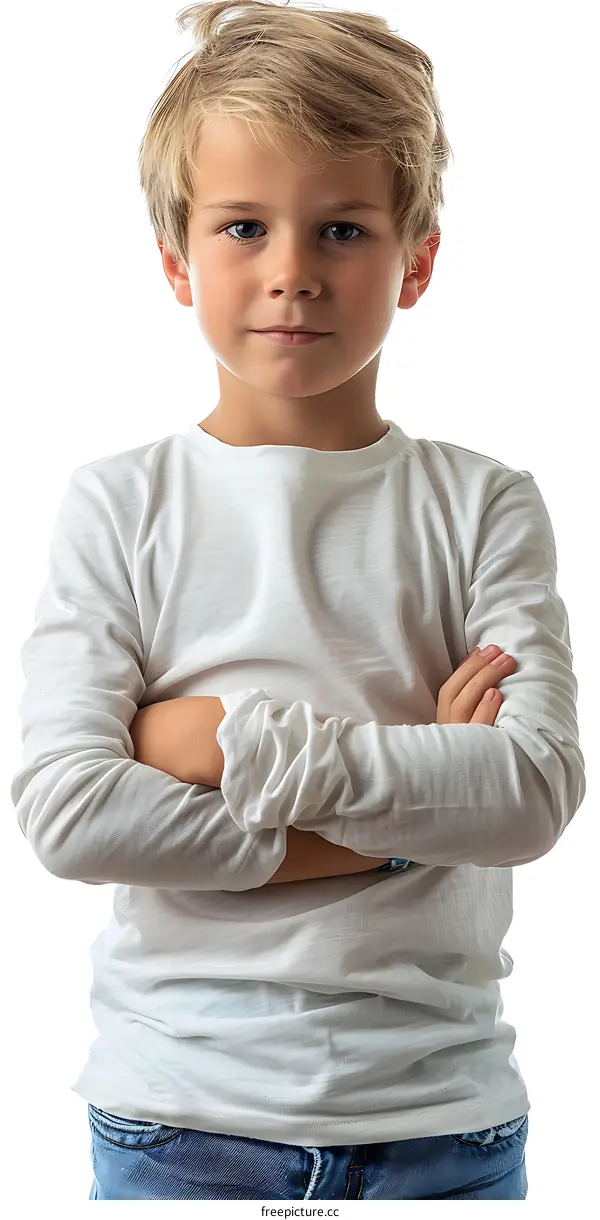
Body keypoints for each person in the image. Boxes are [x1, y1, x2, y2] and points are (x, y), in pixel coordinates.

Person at [10, 0, 585, 1202]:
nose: (291, 275)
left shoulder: (484, 503)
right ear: (177, 257)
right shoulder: (120, 503)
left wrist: (217, 742)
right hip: (177, 1116)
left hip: (443, 1120)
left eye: (340, 229)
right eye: (242, 226)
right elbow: (69, 811)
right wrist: (404, 810)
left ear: (416, 257)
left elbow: (529, 789)